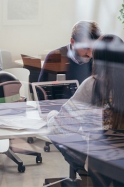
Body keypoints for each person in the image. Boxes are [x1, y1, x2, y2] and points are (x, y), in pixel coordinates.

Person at [47, 34, 124, 186]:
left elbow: (61, 126)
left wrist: (51, 116)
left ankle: (84, 177)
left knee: (59, 132)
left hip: (101, 164)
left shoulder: (93, 85)